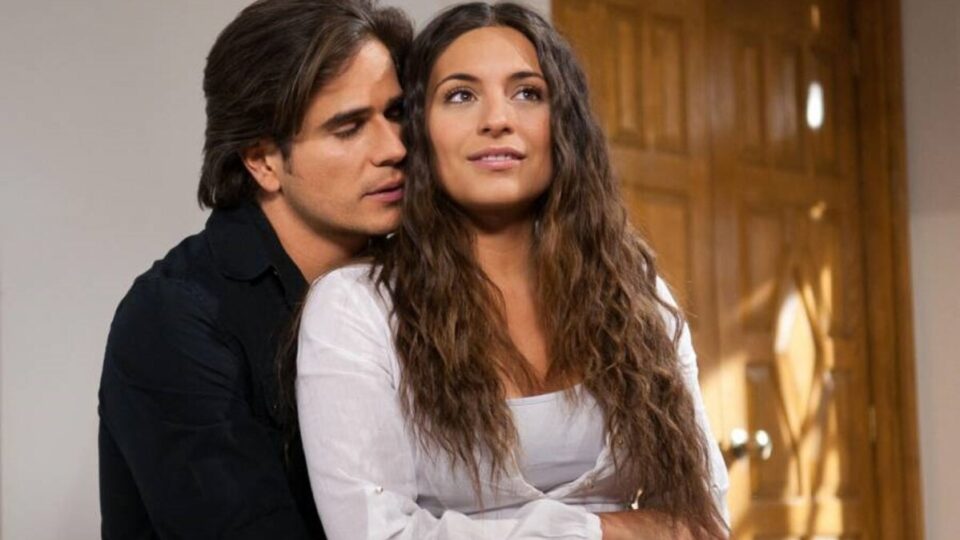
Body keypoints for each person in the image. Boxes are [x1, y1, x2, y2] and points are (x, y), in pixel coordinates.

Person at [292, 2, 729, 539]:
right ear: (420, 130)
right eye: (461, 95)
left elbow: (704, 519)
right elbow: (375, 533)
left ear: (563, 124)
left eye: (527, 93)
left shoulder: (634, 294)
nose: (497, 119)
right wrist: (605, 531)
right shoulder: (356, 307)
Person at [97, 1, 412, 537]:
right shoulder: (173, 318)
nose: (395, 147)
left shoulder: (413, 279)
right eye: (349, 127)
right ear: (263, 160)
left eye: (397, 113)